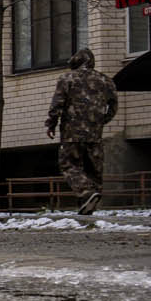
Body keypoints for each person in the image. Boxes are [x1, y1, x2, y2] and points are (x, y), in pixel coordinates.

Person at [46, 48, 118, 214]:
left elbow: (58, 103)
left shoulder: (67, 78)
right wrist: (101, 121)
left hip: (72, 132)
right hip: (95, 133)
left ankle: (86, 192)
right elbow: (113, 106)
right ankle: (88, 204)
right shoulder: (106, 80)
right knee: (93, 168)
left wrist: (51, 124)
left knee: (69, 165)